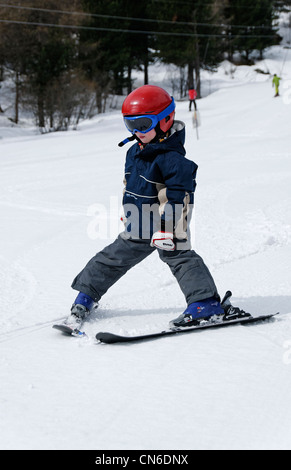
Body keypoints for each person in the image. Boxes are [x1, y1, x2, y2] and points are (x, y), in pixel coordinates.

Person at [67, 85, 250, 329]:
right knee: (112, 257)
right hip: (140, 221)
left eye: (142, 125)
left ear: (165, 120)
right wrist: (128, 212)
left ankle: (205, 302)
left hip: (169, 223)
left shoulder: (174, 161)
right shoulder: (134, 151)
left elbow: (178, 199)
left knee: (180, 258)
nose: (136, 132)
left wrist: (167, 228)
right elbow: (128, 184)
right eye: (130, 125)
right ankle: (86, 296)